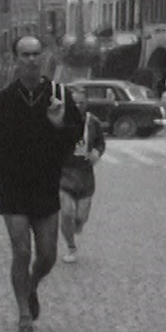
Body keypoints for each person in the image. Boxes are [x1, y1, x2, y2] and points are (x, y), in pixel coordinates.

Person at [0, 36, 83, 332]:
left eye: (36, 54)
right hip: (12, 187)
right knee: (21, 250)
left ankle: (32, 285)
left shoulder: (58, 96)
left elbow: (75, 138)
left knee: (47, 255)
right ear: (16, 59)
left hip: (45, 185)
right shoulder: (5, 100)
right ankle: (24, 316)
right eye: (25, 55)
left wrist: (61, 123)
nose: (32, 60)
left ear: (43, 57)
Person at [59, 87, 105, 264]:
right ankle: (71, 247)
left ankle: (77, 226)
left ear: (87, 104)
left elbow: (100, 143)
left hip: (85, 175)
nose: (78, 106)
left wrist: (96, 153)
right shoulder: (61, 121)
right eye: (74, 103)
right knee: (67, 213)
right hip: (64, 174)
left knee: (81, 217)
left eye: (81, 103)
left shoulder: (93, 122)